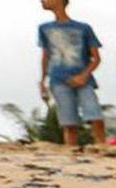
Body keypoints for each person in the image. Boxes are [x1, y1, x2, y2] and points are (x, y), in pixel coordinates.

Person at [38, 0, 106, 146]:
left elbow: (96, 58)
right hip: (58, 80)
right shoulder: (44, 28)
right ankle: (71, 152)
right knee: (68, 122)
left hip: (83, 79)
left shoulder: (83, 28)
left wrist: (84, 75)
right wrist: (42, 82)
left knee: (95, 115)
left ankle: (102, 147)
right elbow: (46, 56)